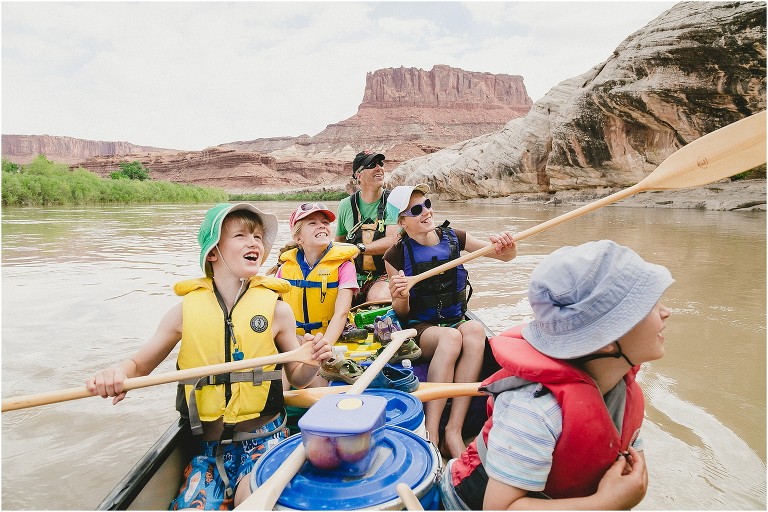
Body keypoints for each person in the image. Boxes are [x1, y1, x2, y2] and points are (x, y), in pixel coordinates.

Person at [86, 203, 332, 510]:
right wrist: (116, 373)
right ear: (212, 253)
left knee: (256, 503)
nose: (254, 242)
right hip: (206, 449)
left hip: (265, 440)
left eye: (257, 236)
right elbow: (137, 366)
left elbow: (297, 377)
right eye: (241, 235)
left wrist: (312, 362)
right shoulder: (184, 313)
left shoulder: (277, 310)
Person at [438, 240, 674, 510]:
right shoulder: (535, 409)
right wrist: (605, 503)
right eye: (650, 306)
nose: (666, 312)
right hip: (468, 501)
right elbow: (500, 508)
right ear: (606, 338)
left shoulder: (620, 385)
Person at [384, 184, 517, 459]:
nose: (426, 212)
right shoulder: (395, 255)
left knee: (475, 329)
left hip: (455, 318)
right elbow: (402, 312)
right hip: (422, 327)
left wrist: (508, 247)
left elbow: (504, 257)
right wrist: (400, 295)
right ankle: (431, 431)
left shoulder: (454, 237)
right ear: (402, 221)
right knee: (451, 338)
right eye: (416, 210)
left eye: (427, 204)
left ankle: (453, 431)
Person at [269, 202, 364, 386]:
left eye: (325, 222)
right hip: (295, 339)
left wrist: (323, 346)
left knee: (316, 384)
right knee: (281, 383)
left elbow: (341, 313)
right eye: (312, 223)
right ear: (298, 237)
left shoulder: (344, 265)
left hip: (329, 339)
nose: (321, 225)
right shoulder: (285, 269)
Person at [335, 150, 399, 306]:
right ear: (359, 175)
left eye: (380, 164)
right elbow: (338, 242)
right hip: (353, 276)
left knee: (378, 299)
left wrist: (360, 248)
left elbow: (393, 241)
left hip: (385, 275)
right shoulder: (345, 205)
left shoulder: (393, 201)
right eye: (372, 165)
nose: (379, 168)